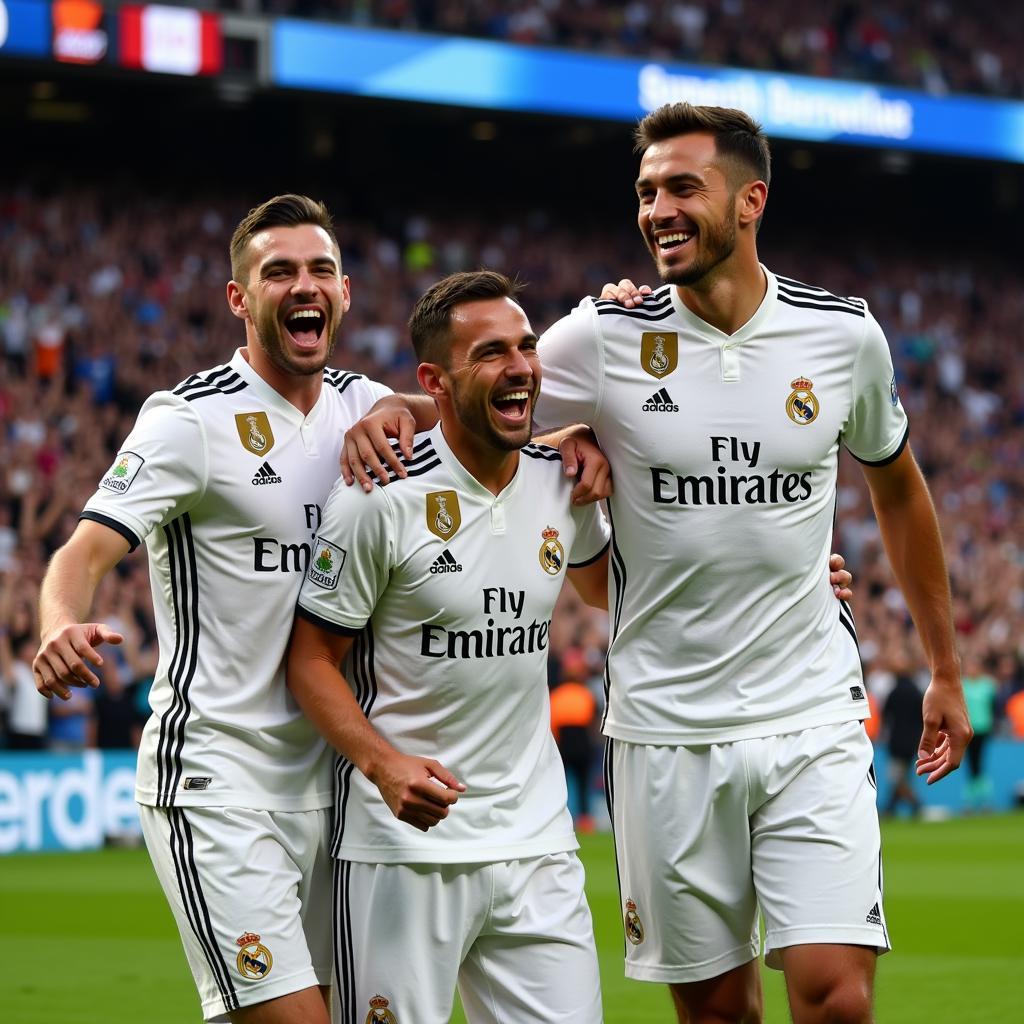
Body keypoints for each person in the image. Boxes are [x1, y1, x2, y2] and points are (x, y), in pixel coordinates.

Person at [341, 104, 971, 1024]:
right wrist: (387, 406)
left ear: (751, 200)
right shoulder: (601, 340)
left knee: (837, 998)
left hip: (810, 711)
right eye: (646, 192)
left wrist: (945, 667)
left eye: (683, 187)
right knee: (718, 1014)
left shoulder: (843, 337)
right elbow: (479, 391)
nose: (659, 209)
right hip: (663, 728)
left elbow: (901, 491)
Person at [31, 195, 398, 1024]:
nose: (303, 285)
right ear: (241, 299)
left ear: (344, 292)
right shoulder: (189, 420)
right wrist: (58, 623)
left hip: (339, 784)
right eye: (279, 272)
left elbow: (478, 407)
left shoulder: (364, 403)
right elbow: (82, 550)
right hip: (218, 777)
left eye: (319, 271)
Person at [286, 270, 612, 1024]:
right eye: (492, 352)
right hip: (402, 851)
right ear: (434, 379)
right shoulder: (378, 498)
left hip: (536, 846)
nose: (522, 367)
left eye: (526, 347)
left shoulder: (562, 483)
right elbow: (309, 660)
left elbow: (615, 593)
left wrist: (797, 573)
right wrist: (384, 764)